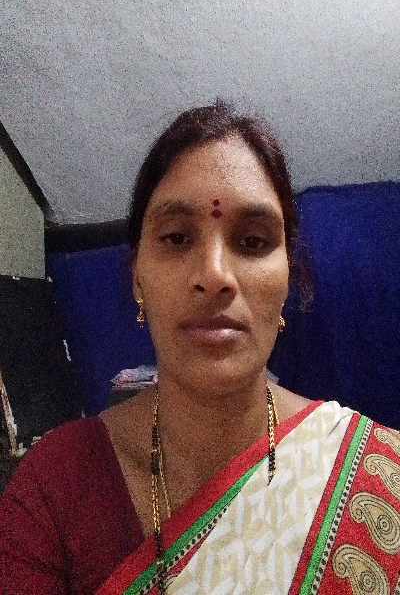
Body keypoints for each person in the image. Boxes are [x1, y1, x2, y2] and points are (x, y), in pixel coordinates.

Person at [1, 101, 399, 594]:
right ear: (137, 279)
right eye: (176, 238)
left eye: (252, 242)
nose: (214, 275)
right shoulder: (54, 488)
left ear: (288, 279)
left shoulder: (380, 475)